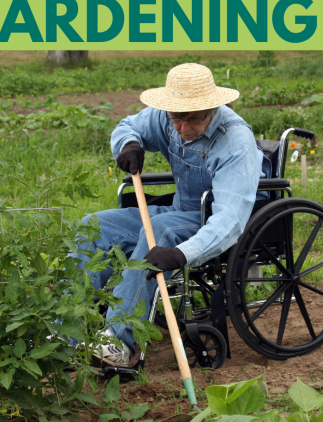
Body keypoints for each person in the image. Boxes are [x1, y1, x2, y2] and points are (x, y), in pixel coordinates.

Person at [68, 63, 270, 367]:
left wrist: (181, 254)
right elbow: (128, 125)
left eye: (193, 120)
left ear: (213, 107)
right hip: (180, 210)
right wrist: (129, 144)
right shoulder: (167, 116)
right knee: (93, 226)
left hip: (212, 221)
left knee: (159, 231)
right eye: (177, 118)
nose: (183, 128)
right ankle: (66, 330)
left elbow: (230, 220)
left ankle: (117, 341)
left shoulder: (235, 143)